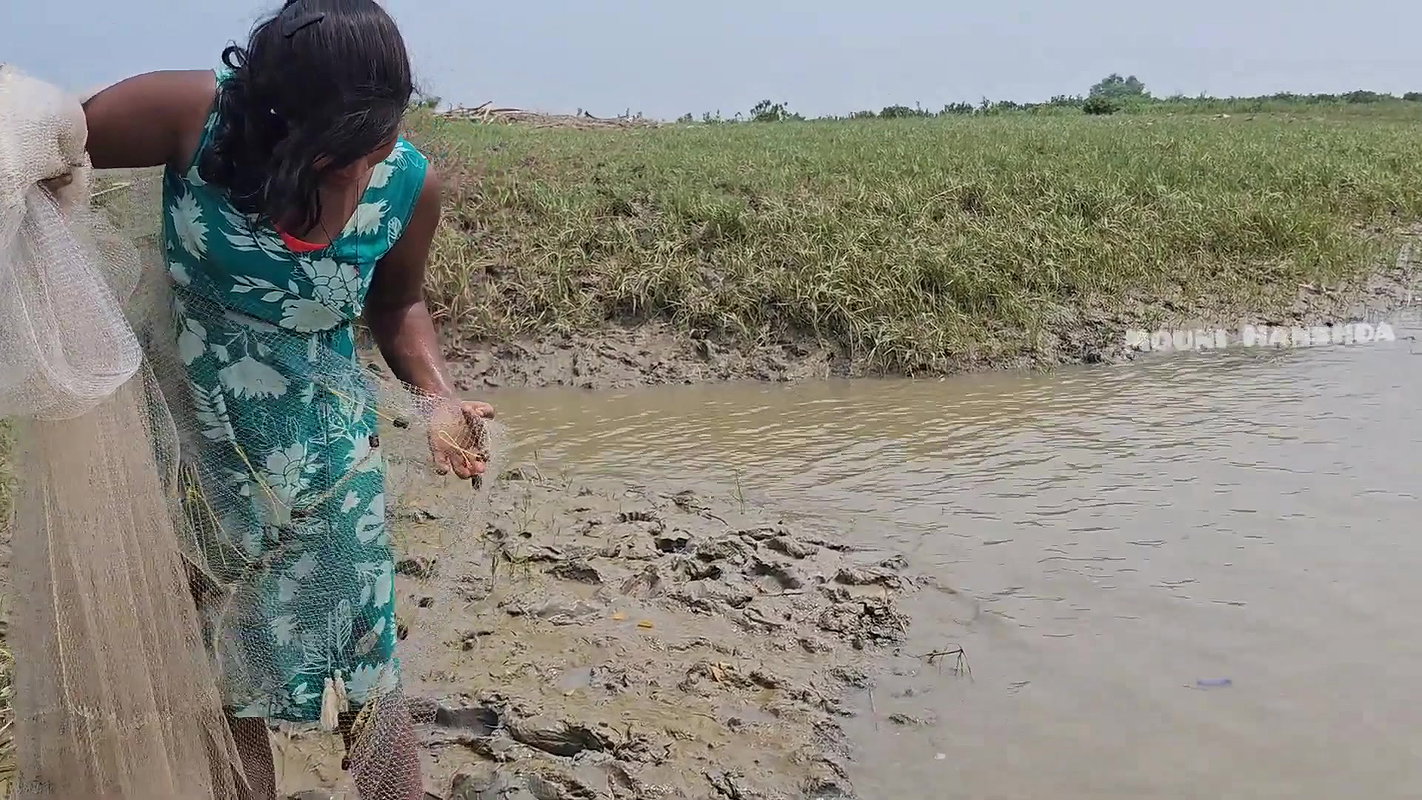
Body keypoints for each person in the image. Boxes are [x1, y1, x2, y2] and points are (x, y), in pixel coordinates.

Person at [71, 2, 492, 798]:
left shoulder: (409, 182)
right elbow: (46, 146)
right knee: (222, 662)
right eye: (342, 149)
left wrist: (438, 398)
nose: (363, 169)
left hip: (330, 456)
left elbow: (398, 306)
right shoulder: (192, 119)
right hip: (198, 450)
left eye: (378, 142)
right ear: (280, 112)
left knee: (367, 661)